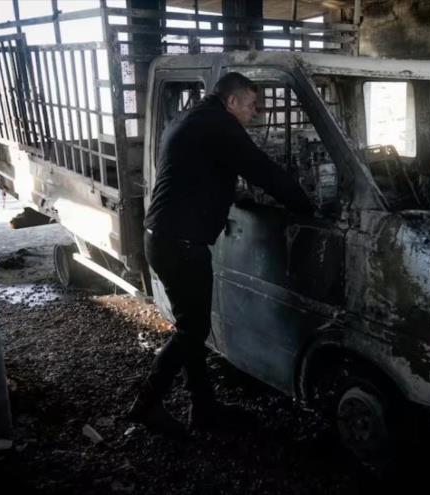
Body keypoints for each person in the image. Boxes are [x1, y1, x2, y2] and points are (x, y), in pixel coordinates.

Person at [127, 72, 314, 434]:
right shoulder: (220, 125)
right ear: (232, 101)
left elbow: (200, 172)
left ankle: (203, 408)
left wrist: (229, 195)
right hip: (180, 244)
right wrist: (305, 206)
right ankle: (146, 405)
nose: (255, 112)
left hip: (165, 237)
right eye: (251, 104)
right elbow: (263, 171)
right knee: (191, 331)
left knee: (192, 328)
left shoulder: (194, 116)